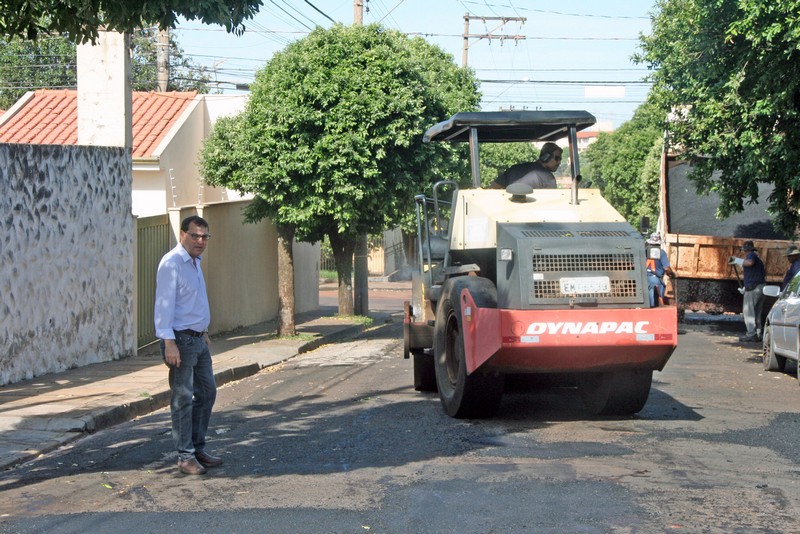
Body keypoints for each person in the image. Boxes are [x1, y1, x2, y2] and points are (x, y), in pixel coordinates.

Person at [154, 215, 223, 475]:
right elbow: (163, 304)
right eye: (195, 236)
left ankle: (196, 447)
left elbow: (192, 302)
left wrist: (203, 331)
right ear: (182, 235)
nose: (200, 241)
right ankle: (185, 456)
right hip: (180, 341)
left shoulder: (194, 262)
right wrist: (168, 341)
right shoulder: (172, 264)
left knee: (207, 392)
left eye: (205, 237)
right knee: (183, 398)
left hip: (198, 339)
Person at [729, 240, 766, 342]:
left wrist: (737, 260)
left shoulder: (751, 256)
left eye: (744, 251)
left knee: (748, 311)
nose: (744, 253)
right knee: (757, 312)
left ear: (746, 250)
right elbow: (755, 274)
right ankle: (758, 333)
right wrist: (745, 287)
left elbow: (749, 263)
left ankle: (751, 334)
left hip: (754, 289)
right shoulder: (758, 260)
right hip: (759, 287)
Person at [491, 142, 563, 189]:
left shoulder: (514, 168)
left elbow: (494, 186)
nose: (559, 162)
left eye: (560, 159)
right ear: (546, 156)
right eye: (557, 158)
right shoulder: (548, 177)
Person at [645, 232, 675, 307]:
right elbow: (667, 268)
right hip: (655, 280)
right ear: (659, 243)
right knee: (657, 304)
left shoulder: (643, 252)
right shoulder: (661, 253)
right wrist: (671, 274)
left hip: (642, 279)